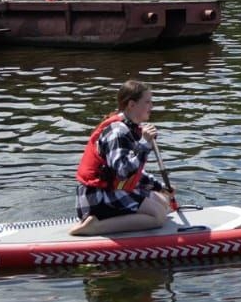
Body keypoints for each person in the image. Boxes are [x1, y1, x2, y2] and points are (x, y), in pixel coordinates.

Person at [70, 80, 174, 236]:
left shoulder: (129, 127)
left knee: (163, 200)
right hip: (99, 196)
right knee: (158, 216)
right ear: (132, 104)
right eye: (147, 102)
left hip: (112, 189)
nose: (151, 106)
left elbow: (134, 173)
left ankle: (115, 219)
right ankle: (95, 226)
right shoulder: (117, 132)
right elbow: (123, 172)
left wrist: (158, 186)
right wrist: (144, 144)